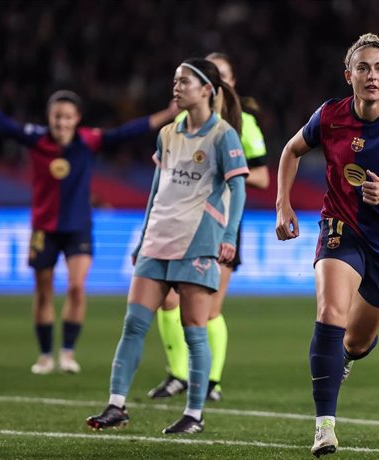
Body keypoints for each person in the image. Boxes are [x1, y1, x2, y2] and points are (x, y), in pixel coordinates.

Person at [275, 33, 379, 457]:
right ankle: (324, 426)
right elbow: (290, 151)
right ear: (349, 75)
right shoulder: (329, 117)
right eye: (364, 68)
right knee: (330, 312)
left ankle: (348, 355)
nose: (372, 76)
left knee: (354, 341)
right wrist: (283, 205)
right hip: (341, 225)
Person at [0, 75, 177, 375]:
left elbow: (126, 132)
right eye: (57, 116)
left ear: (77, 119)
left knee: (77, 287)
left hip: (78, 227)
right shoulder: (35, 139)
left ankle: (67, 353)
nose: (62, 122)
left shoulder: (88, 141)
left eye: (68, 117)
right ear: (49, 117)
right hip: (44, 228)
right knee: (43, 292)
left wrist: (168, 115)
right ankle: (45, 356)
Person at [86, 57, 248, 434]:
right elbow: (156, 190)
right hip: (157, 240)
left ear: (207, 89)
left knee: (194, 328)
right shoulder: (168, 134)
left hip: (198, 241)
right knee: (134, 325)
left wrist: (227, 237)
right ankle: (116, 405)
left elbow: (237, 188)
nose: (176, 87)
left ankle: (194, 413)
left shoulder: (223, 135)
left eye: (185, 81)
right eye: (175, 81)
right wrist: (143, 237)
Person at [148, 52, 270, 402]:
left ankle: (212, 381)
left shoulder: (241, 124)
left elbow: (261, 174)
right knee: (168, 302)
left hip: (219, 224)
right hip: (180, 224)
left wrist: (228, 173)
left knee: (209, 308)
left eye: (226, 75)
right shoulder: (184, 123)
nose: (222, 81)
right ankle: (177, 374)